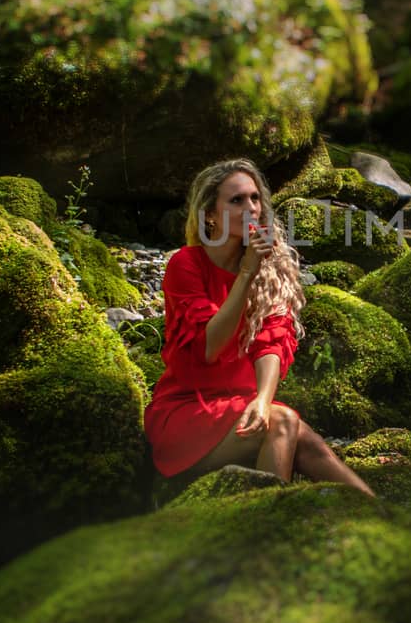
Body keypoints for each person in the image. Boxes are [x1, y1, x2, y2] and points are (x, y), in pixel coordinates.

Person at [143, 158, 376, 496]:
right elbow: (209, 346)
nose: (250, 207)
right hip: (187, 413)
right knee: (283, 423)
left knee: (308, 443)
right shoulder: (186, 264)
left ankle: (384, 515)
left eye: (255, 198)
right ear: (210, 213)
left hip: (242, 405)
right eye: (236, 200)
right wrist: (246, 273)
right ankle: (265, 525)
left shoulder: (273, 266)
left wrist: (263, 400)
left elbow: (271, 341)